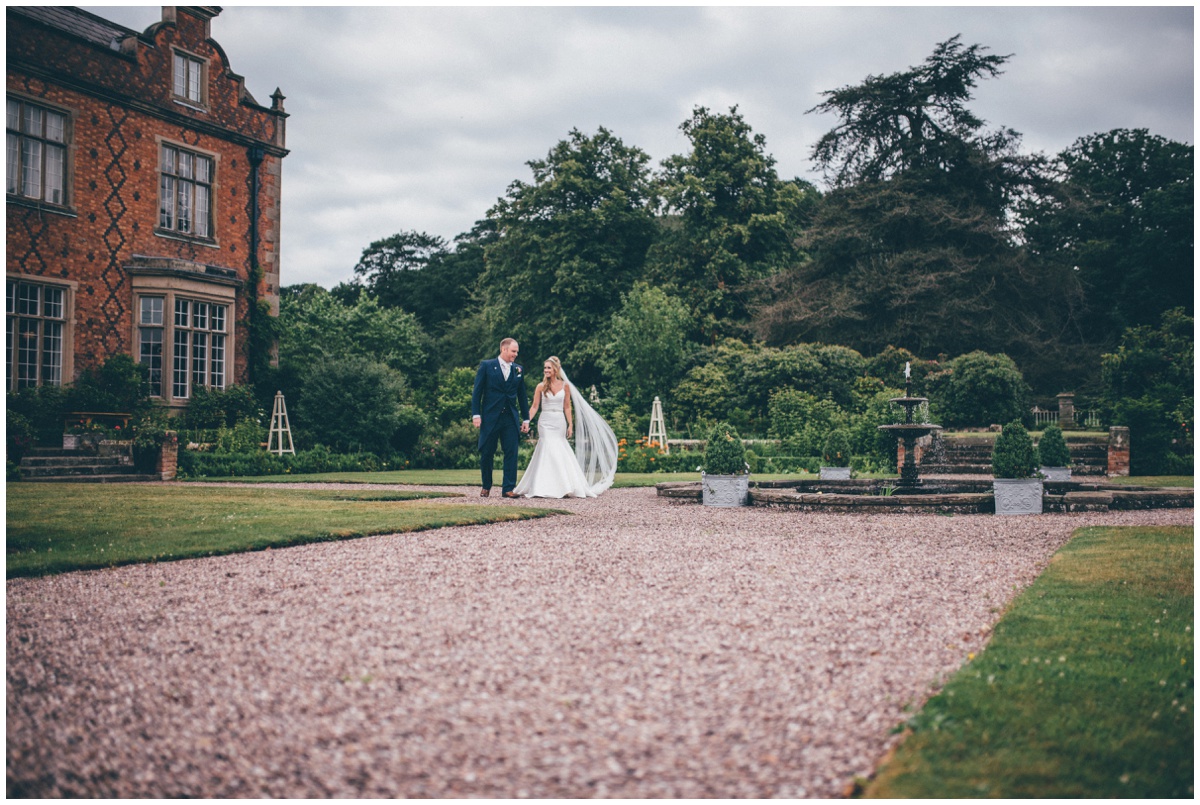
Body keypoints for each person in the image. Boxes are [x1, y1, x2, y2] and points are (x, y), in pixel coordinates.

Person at [513, 356, 618, 499]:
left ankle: (565, 485)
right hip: (545, 421)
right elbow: (535, 407)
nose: (546, 370)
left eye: (549, 368)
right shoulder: (540, 386)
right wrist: (526, 420)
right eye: (545, 368)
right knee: (547, 447)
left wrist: (570, 424)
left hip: (559, 421)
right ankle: (544, 485)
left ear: (555, 370)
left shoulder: (565, 386)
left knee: (558, 447)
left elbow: (567, 407)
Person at [471, 338, 530, 497]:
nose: (516, 354)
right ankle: (486, 485)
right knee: (487, 452)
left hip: (510, 418)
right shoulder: (487, 366)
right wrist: (476, 414)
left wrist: (526, 418)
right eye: (513, 351)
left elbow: (522, 395)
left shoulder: (518, 369)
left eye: (517, 351)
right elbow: (477, 392)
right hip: (490, 417)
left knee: (512, 452)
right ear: (504, 349)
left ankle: (508, 489)